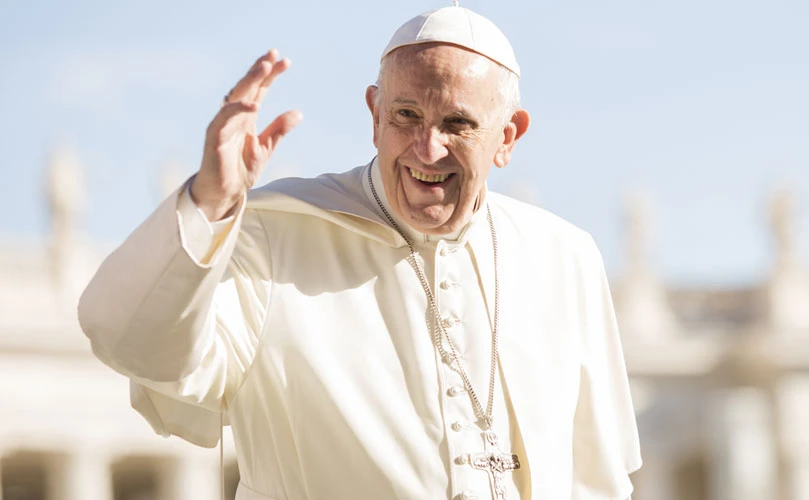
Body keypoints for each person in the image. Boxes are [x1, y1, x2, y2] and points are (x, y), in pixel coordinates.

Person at [79, 5, 641, 500]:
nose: (428, 148)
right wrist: (208, 204)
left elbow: (597, 481)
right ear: (374, 114)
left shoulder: (566, 259)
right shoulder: (270, 236)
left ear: (509, 136)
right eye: (406, 116)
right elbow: (134, 344)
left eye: (458, 124)